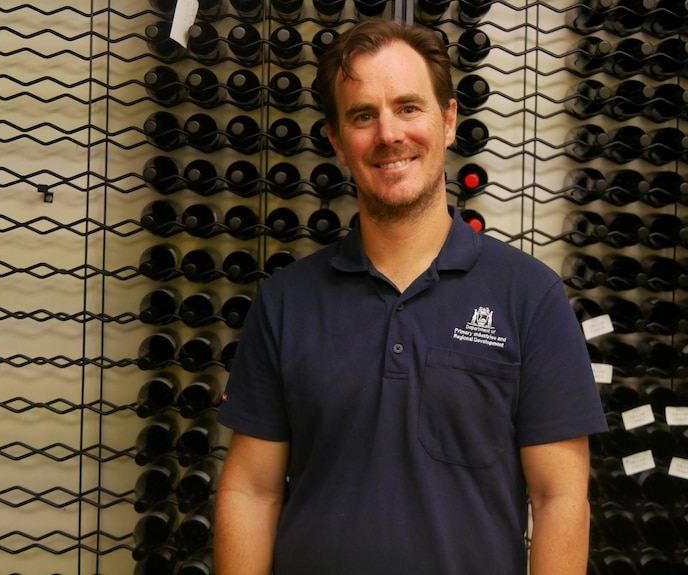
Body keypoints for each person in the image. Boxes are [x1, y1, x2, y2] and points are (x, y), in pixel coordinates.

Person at [214, 17, 607, 575]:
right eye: (362, 116)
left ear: (448, 121)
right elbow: (251, 492)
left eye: (408, 107)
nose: (389, 134)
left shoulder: (529, 296)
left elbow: (560, 500)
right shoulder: (285, 303)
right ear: (337, 142)